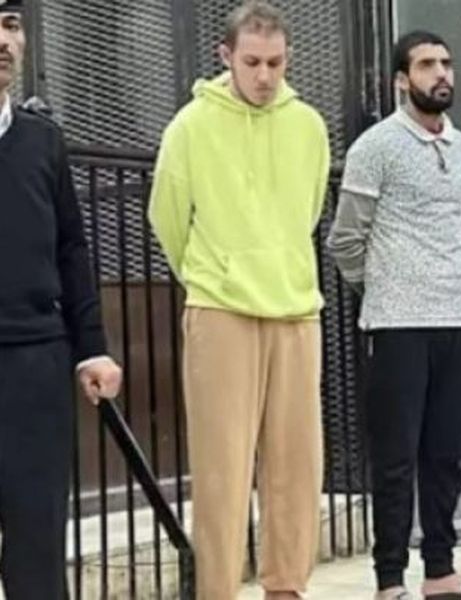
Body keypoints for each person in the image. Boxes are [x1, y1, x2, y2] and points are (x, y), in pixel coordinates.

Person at [148, 2, 330, 598]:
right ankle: (218, 590)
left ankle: (287, 587)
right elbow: (168, 218)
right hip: (221, 309)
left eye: (275, 62)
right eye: (252, 62)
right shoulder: (190, 126)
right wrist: (213, 275)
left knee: (297, 467)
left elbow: (307, 211)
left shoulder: (308, 126)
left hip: (295, 308)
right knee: (222, 470)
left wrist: (279, 265)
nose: (265, 75)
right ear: (225, 56)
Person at [327, 30, 461, 600]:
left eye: (446, 63)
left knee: (445, 455)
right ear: (402, 80)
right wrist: (382, 289)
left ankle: (441, 573)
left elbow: (460, 229)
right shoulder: (375, 146)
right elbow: (345, 240)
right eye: (427, 64)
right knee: (396, 458)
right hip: (397, 324)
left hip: (458, 319)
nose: (441, 73)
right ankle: (388, 580)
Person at [0, 1, 123, 598]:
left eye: (10, 25)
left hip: (36, 364)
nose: (3, 40)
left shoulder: (43, 141)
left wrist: (92, 346)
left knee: (38, 544)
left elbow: (72, 248)